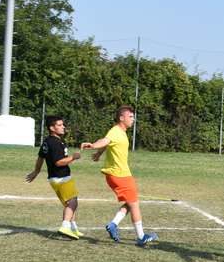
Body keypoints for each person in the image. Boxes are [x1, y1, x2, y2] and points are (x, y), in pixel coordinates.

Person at [81, 105, 158, 247]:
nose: (133, 119)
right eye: (130, 117)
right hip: (120, 175)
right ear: (121, 118)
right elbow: (104, 140)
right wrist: (93, 146)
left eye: (133, 117)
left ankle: (113, 224)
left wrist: (98, 154)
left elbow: (108, 143)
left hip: (117, 174)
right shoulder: (116, 131)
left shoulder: (120, 132)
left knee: (130, 202)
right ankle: (141, 237)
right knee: (134, 204)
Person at [26, 115, 83, 238]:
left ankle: (73, 228)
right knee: (72, 203)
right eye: (60, 125)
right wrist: (73, 157)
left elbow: (41, 157)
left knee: (71, 203)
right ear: (52, 128)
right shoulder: (55, 143)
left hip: (53, 178)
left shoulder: (47, 141)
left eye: (63, 124)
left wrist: (36, 171)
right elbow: (58, 162)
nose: (63, 127)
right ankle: (65, 226)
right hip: (62, 177)